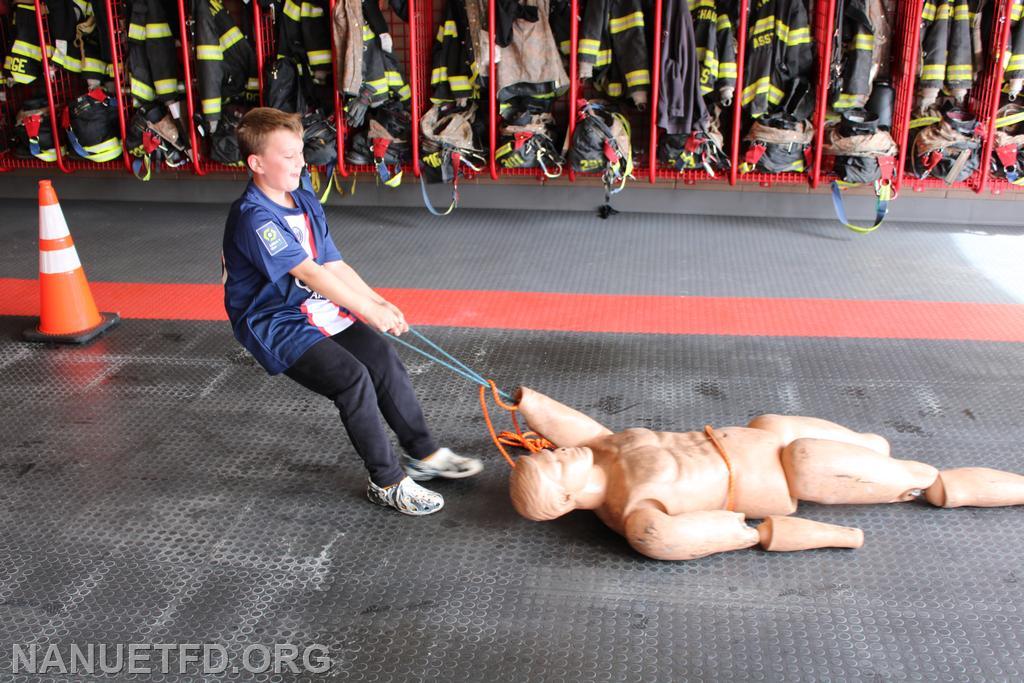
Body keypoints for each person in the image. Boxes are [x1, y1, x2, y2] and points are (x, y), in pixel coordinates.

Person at [222, 108, 482, 515]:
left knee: (382, 359)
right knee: (352, 380)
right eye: (288, 156)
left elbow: (331, 263)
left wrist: (377, 303)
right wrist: (363, 307)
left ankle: (423, 454)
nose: (301, 162)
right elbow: (306, 270)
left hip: (310, 305)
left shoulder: (303, 194)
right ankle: (388, 481)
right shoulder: (255, 217)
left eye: (300, 152)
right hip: (273, 320)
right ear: (256, 163)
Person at [507, 387, 1024, 560]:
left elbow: (568, 427)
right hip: (792, 474)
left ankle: (877, 456)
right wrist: (824, 536)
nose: (555, 452)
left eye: (548, 453)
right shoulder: (639, 515)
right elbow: (733, 533)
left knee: (869, 446)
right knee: (928, 480)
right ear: (567, 498)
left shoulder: (602, 449)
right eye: (553, 463)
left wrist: (527, 401)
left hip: (765, 433)